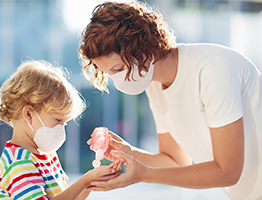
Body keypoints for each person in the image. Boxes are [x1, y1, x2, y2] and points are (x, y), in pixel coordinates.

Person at [78, 2, 262, 200]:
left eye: (118, 69)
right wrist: (129, 153)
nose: (117, 81)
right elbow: (175, 162)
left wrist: (145, 175)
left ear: (144, 48)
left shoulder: (212, 70)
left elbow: (228, 172)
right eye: (109, 73)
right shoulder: (154, 84)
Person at [0, 60, 124, 200]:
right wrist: (85, 180)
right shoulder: (19, 163)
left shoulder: (47, 154)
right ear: (28, 114)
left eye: (65, 123)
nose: (61, 129)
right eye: (57, 120)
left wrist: (91, 182)